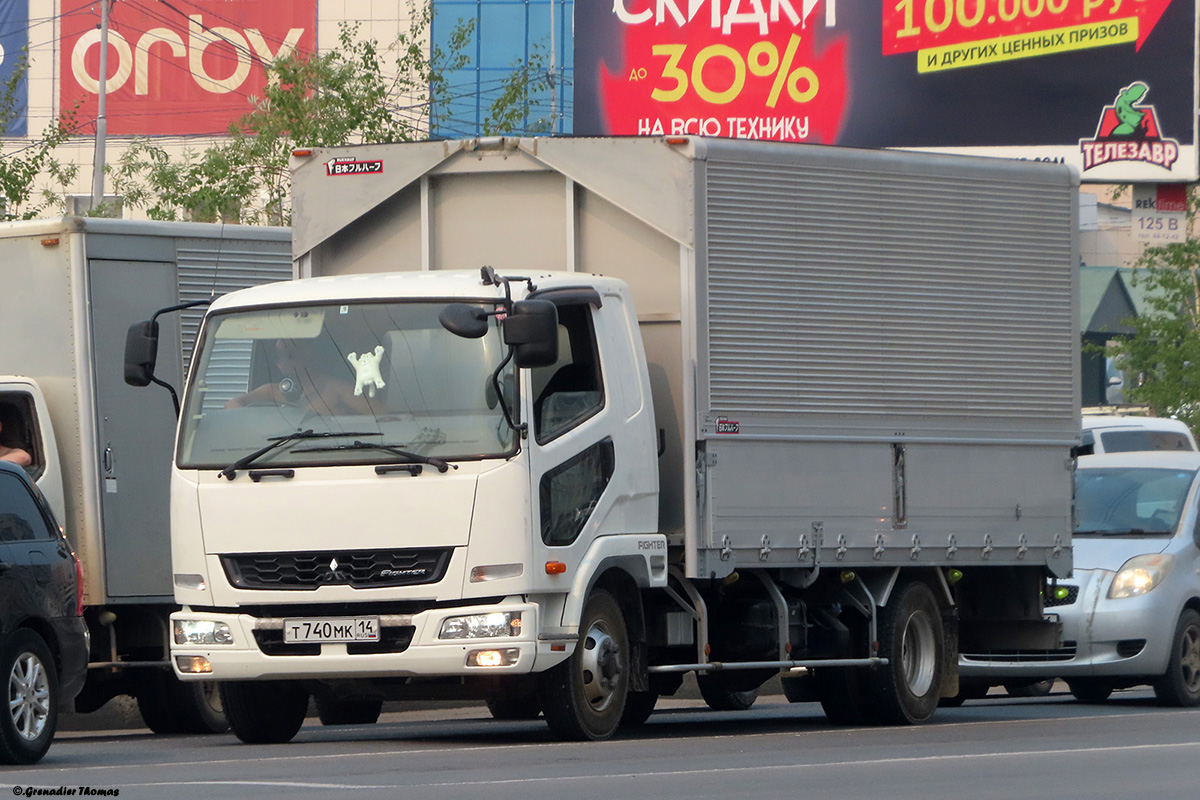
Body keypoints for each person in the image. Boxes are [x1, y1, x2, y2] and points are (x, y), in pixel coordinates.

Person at [226, 338, 373, 416]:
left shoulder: (335, 388)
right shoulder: (271, 391)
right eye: (279, 356)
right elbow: (232, 404)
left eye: (290, 355)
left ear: (308, 355)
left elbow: (381, 414)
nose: (283, 362)